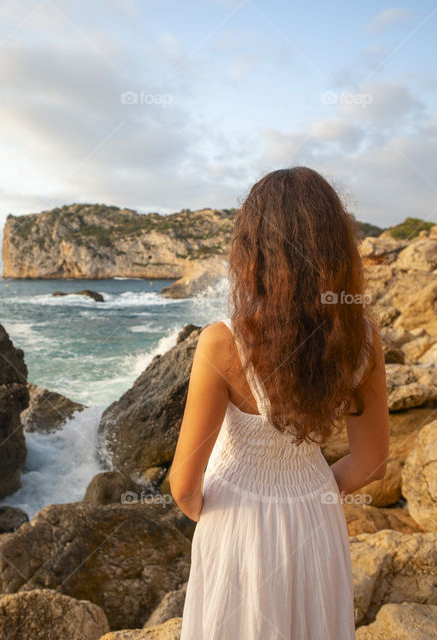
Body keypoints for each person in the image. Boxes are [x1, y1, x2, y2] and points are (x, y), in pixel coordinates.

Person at [169, 166, 389, 639]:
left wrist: (215, 511)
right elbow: (372, 464)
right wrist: (308, 492)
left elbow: (184, 484)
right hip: (316, 517)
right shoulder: (363, 341)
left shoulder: (224, 343)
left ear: (253, 252)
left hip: (239, 522)